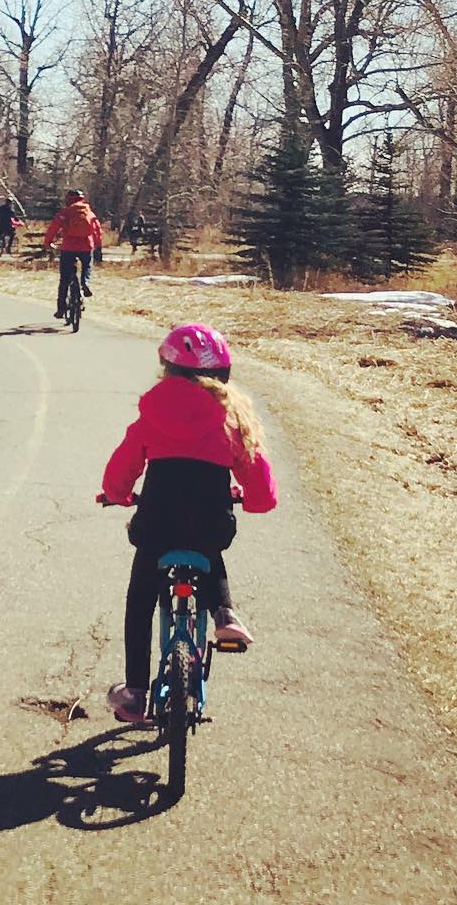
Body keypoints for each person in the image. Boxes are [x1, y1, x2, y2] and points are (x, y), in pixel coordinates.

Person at [98, 322, 277, 724]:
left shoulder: (151, 413)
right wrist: (258, 501)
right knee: (209, 550)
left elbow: (121, 468)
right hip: (211, 523)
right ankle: (225, 615)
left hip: (157, 524)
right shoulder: (233, 419)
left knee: (140, 599)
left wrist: (116, 493)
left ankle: (135, 693)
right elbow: (259, 479)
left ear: (169, 371)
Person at [43, 189, 103, 319]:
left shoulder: (66, 212)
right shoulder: (89, 212)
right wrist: (97, 244)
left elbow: (54, 227)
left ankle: (61, 309)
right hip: (86, 245)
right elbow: (97, 229)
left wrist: (48, 242)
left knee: (64, 279)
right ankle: (85, 283)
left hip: (69, 246)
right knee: (87, 265)